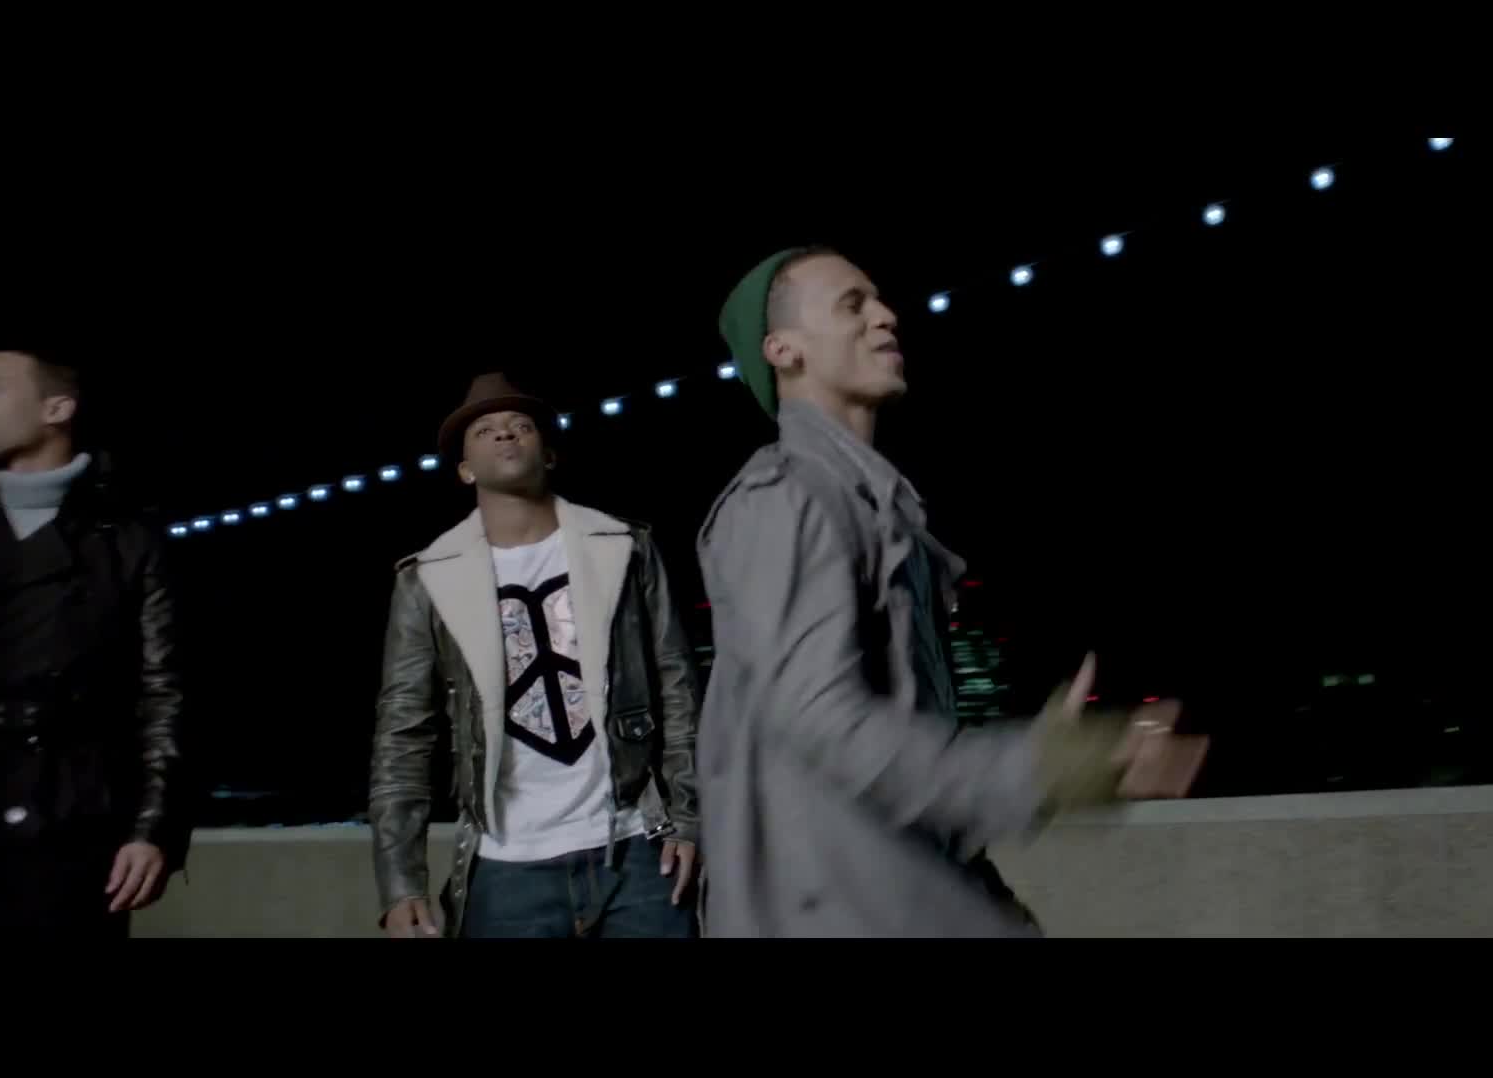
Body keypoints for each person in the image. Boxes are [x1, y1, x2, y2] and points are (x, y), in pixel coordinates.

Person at [696, 248, 1208, 937]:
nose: (886, 316)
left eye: (879, 299)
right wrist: (1041, 767)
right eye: (852, 304)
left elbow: (895, 753)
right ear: (783, 350)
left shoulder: (875, 508)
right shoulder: (784, 499)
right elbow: (822, 720)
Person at [368, 372, 704, 939]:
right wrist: (401, 882)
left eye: (520, 425)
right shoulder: (427, 580)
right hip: (506, 868)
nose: (505, 434)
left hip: (635, 853)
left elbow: (678, 688)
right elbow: (403, 734)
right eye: (485, 431)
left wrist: (691, 820)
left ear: (548, 454)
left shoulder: (624, 549)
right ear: (465, 469)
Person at [0, 348, 188, 938]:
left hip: (74, 819)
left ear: (57, 407)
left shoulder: (128, 537)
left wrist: (153, 829)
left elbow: (164, 693)